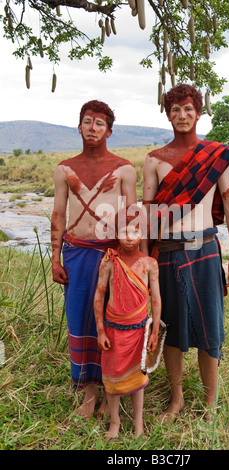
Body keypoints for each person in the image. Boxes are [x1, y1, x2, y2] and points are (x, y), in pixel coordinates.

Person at [142, 84, 229, 422]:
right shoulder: (155, 161)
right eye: (175, 110)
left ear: (198, 112)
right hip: (167, 254)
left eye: (188, 109)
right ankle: (177, 400)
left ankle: (209, 403)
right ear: (168, 115)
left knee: (210, 332)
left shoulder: (216, 156)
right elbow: (147, 214)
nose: (182, 115)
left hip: (205, 250)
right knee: (170, 329)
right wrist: (144, 262)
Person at [51, 100, 137, 419]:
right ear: (79, 126)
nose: (93, 127)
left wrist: (130, 261)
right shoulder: (65, 168)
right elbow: (58, 214)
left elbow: (132, 218)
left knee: (111, 322)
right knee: (80, 319)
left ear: (109, 131)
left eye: (99, 123)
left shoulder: (124, 169)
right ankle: (88, 392)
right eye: (87, 121)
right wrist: (55, 259)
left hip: (111, 255)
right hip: (75, 253)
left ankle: (110, 391)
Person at [93, 206, 161, 438]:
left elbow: (157, 300)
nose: (129, 238)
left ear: (142, 234)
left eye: (135, 232)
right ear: (115, 234)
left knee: (137, 378)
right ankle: (115, 421)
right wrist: (101, 331)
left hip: (139, 333)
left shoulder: (150, 263)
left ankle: (138, 423)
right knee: (111, 378)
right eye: (124, 232)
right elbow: (99, 296)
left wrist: (153, 333)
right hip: (113, 331)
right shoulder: (109, 261)